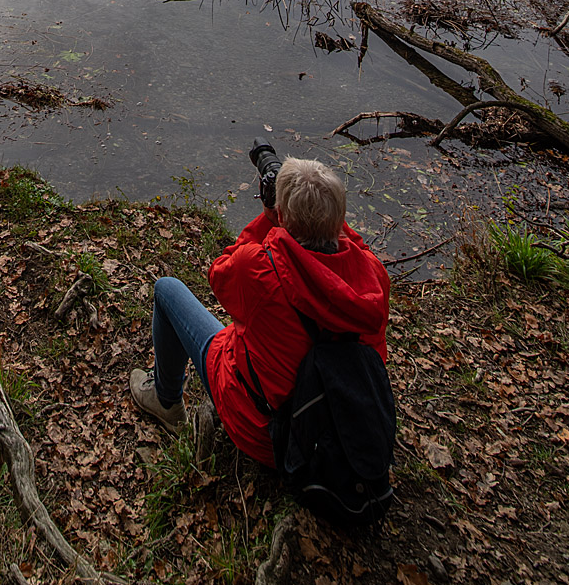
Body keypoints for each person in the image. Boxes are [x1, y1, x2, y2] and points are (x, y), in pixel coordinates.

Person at [128, 156, 390, 469]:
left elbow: (221, 272)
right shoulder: (373, 278)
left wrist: (269, 217)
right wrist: (316, 206)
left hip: (266, 434)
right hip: (345, 429)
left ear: (282, 214)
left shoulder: (259, 270)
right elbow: (352, 242)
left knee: (167, 290)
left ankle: (166, 401)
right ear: (339, 219)